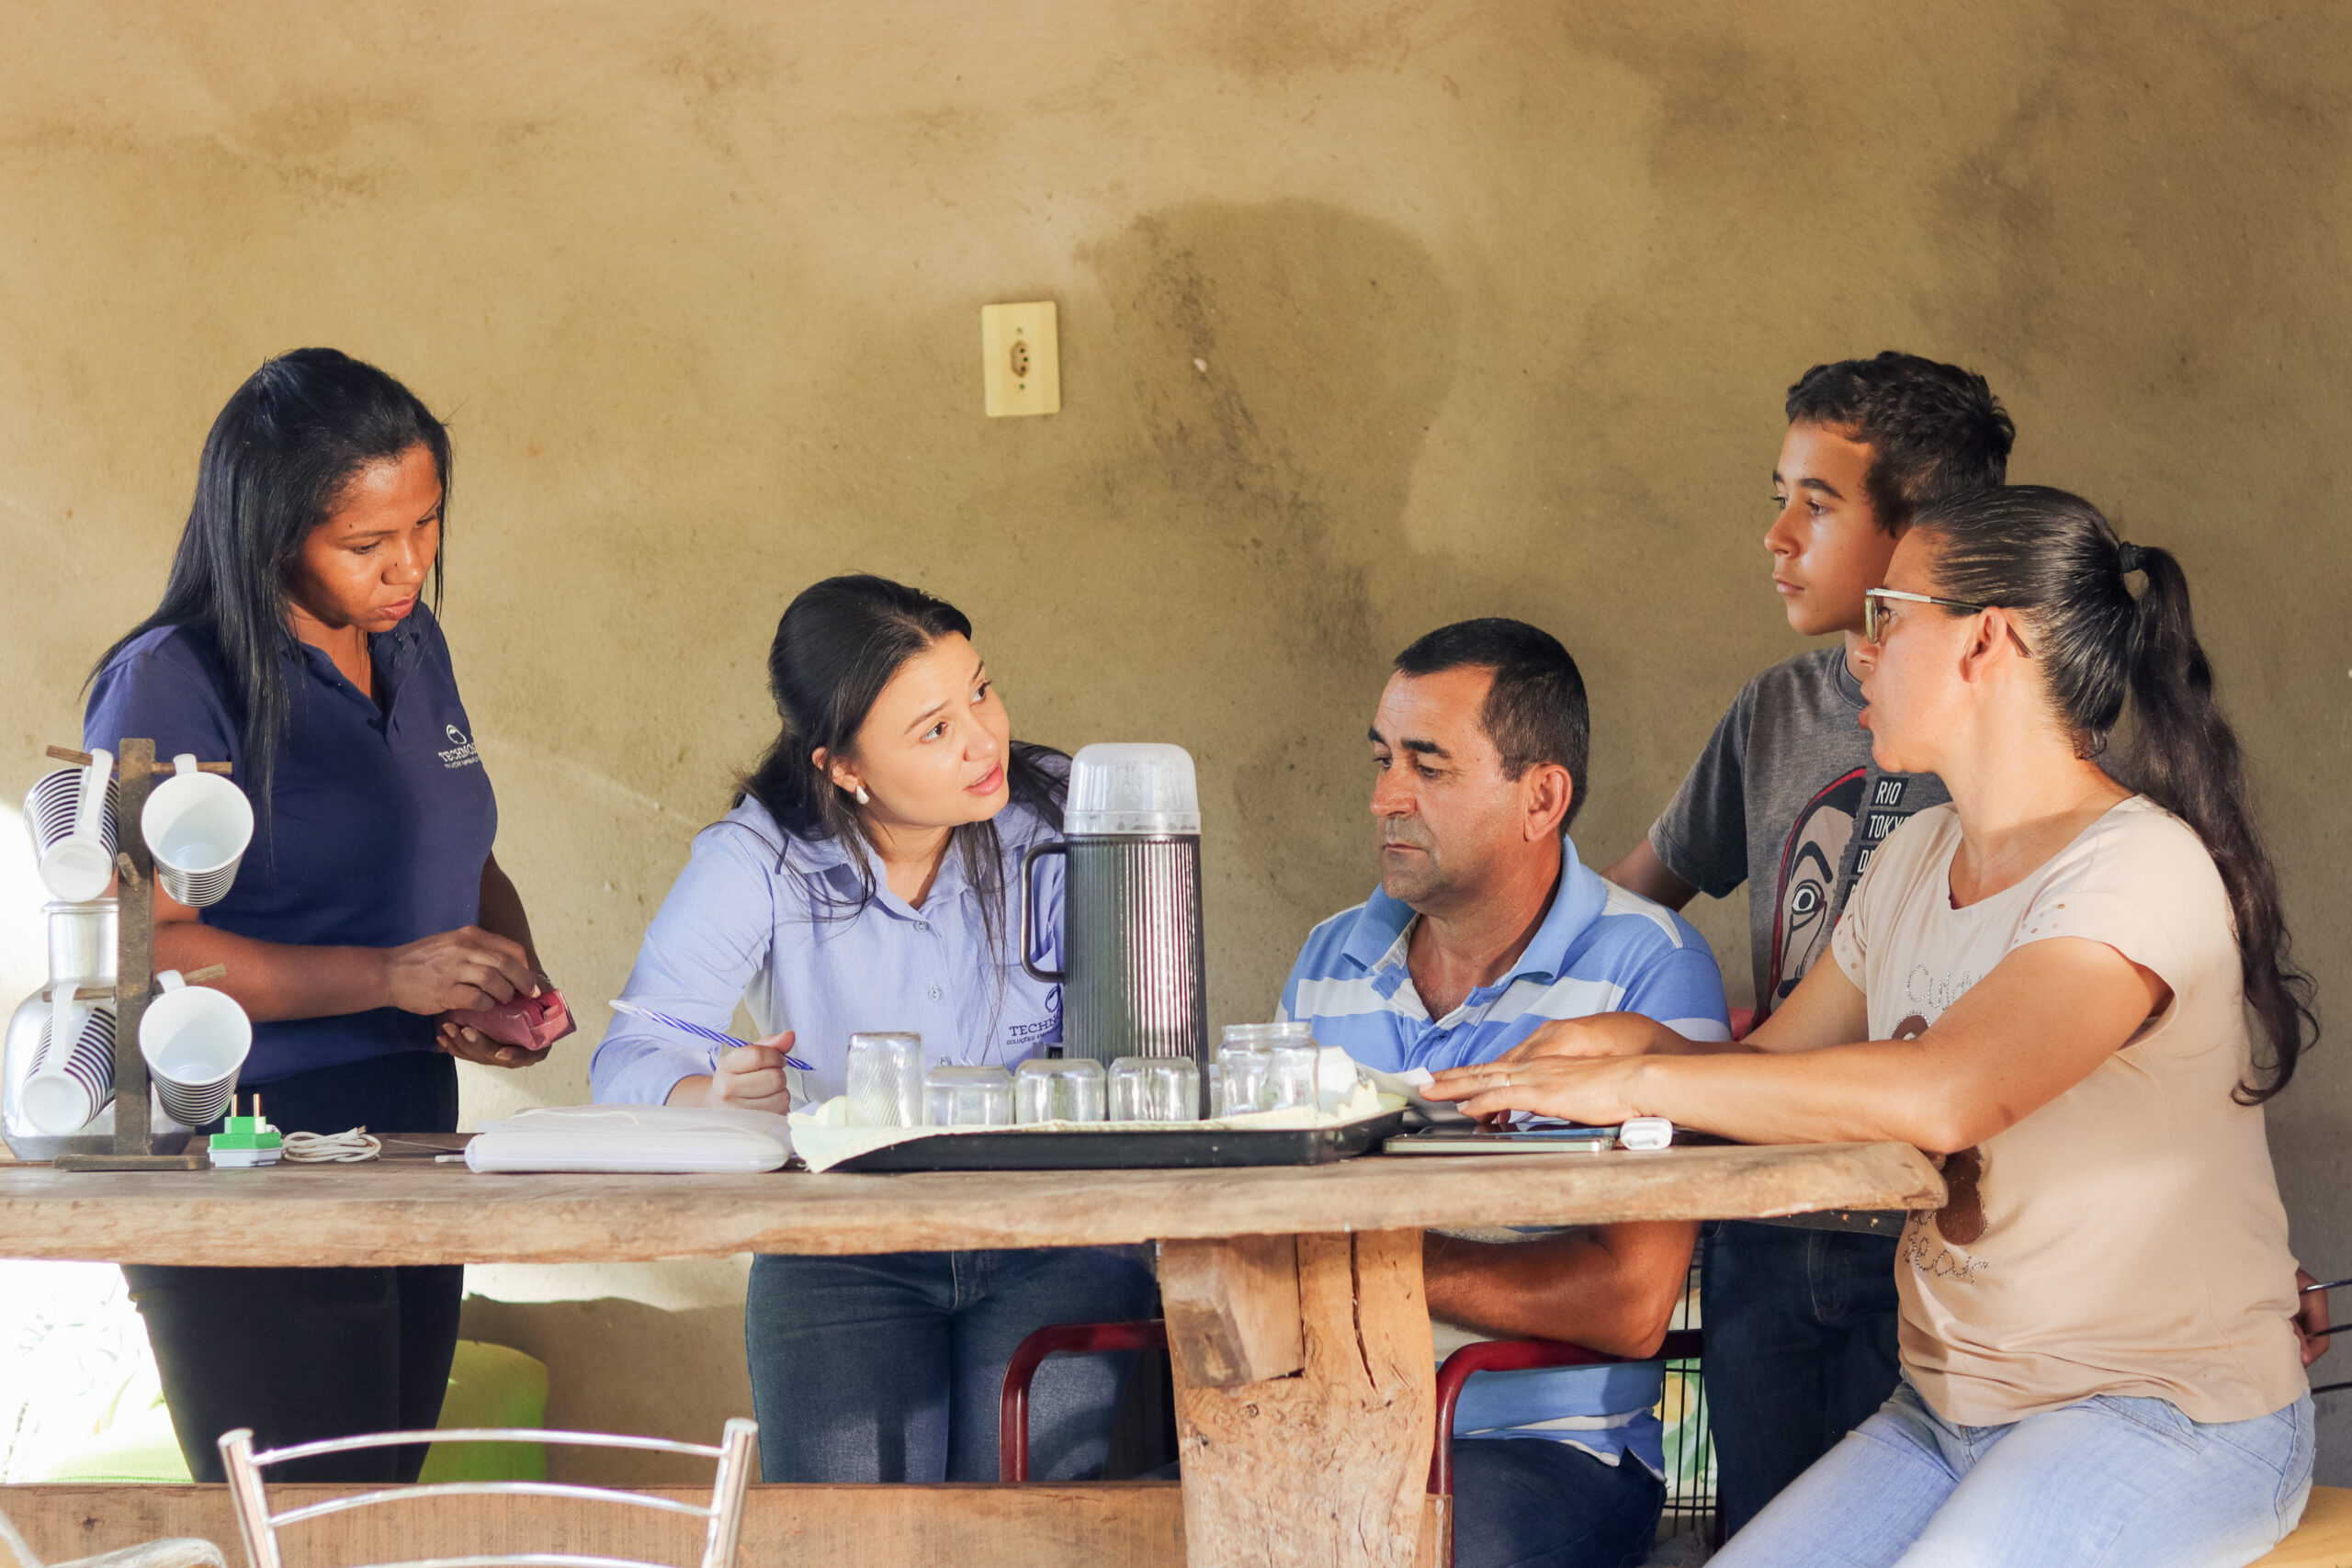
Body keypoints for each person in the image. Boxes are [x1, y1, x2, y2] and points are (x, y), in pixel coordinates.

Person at [1431, 487, 2329, 1568]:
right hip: (1947, 1417)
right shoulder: (1912, 858)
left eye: (1886, 615)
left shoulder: (2137, 869)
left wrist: (1639, 1087)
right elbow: (1769, 1071)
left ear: (1986, 642)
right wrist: (1632, 1044)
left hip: (2163, 1414)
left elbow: (1948, 1091)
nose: (1859, 653)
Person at [84, 348, 563, 1483]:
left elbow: (462, 845)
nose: (410, 565)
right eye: (366, 543)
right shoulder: (169, 681)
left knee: (381, 1507)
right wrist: (391, 976)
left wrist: (506, 977)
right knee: (304, 1521)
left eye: (427, 524)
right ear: (269, 533)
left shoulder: (411, 643)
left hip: (409, 1118)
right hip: (243, 1135)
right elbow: (145, 946)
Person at [591, 573, 1157, 1485]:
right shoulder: (758, 859)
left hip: (1055, 1236)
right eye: (934, 730)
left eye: (980, 691)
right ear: (843, 767)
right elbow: (628, 1055)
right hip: (840, 1250)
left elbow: (1144, 1045)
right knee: (848, 1540)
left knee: (1038, 1540)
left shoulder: (1062, 814)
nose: (984, 740)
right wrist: (712, 1097)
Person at [1599, 352, 2014, 1532]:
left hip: (1939, 1230)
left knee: (1918, 1528)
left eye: (1817, 505)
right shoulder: (1774, 711)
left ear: (1919, 537)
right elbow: (1627, 903)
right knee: (1772, 1528)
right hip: (1768, 1219)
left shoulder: (2005, 728)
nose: (1777, 535)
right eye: (1777, 497)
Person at [1276, 619, 1730, 1568]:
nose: (1385, 797)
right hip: (1322, 1428)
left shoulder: (1647, 968)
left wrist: (1369, 1259)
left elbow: (1631, 1302)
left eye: (1428, 765)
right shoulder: (1329, 956)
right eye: (1383, 760)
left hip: (1545, 1449)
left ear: (1541, 798)